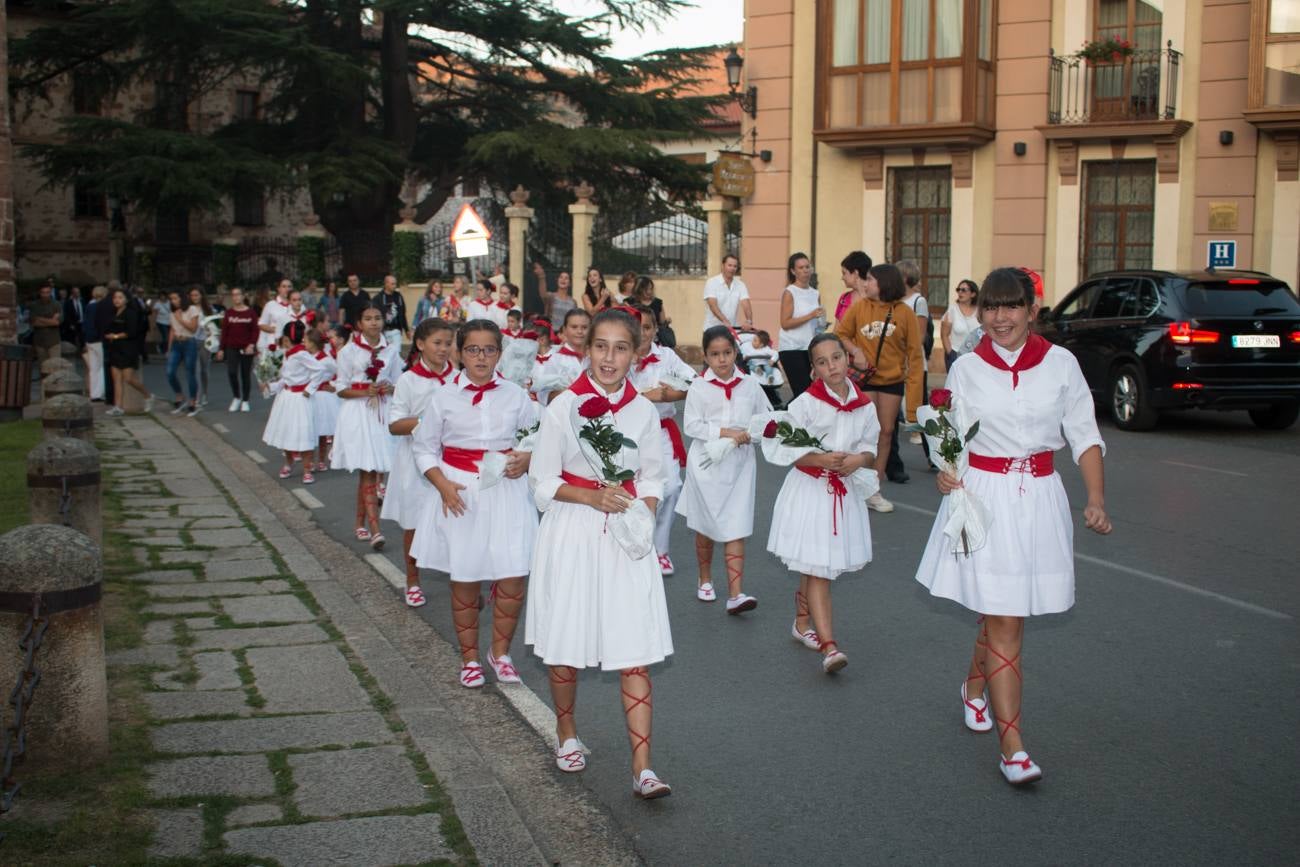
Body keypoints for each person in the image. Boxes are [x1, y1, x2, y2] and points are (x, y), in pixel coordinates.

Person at [914, 267, 1112, 786]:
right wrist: (946, 470)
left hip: (1041, 500)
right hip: (984, 497)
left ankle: (973, 688)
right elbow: (949, 435)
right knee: (1006, 619)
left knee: (1009, 612)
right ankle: (1014, 747)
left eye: (1011, 307)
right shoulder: (966, 369)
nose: (1000, 318)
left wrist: (1095, 497)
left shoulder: (1062, 364)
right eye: (991, 308)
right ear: (979, 313)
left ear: (1031, 310)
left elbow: (1085, 434)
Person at [525, 308, 673, 799]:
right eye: (601, 346)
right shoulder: (563, 407)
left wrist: (642, 511)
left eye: (621, 348)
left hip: (626, 534)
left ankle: (644, 767)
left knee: (635, 649)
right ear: (586, 349)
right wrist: (592, 497)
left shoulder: (644, 411)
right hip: (573, 530)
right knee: (568, 642)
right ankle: (566, 734)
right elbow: (543, 480)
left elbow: (654, 473)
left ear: (636, 354)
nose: (610, 357)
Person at [412, 319, 538, 687]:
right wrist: (442, 486)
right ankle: (469, 658)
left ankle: (500, 653)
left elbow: (535, 439)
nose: (481, 357)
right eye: (472, 349)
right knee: (465, 579)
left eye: (489, 349)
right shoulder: (443, 397)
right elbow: (423, 449)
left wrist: (528, 459)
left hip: (507, 491)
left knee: (513, 577)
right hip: (461, 495)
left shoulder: (516, 396)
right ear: (459, 352)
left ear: (500, 353)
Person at [767, 333, 880, 674]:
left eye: (836, 357)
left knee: (817, 564)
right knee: (818, 569)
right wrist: (820, 459)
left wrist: (858, 460)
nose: (831, 366)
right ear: (813, 370)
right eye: (822, 362)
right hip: (811, 494)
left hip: (842, 495)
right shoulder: (805, 404)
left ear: (848, 359)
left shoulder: (865, 405)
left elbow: (871, 447)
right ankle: (830, 646)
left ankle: (803, 622)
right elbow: (789, 452)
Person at [677, 326, 772, 612]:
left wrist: (751, 434)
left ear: (735, 352)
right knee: (706, 525)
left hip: (740, 465)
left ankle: (736, 593)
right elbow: (692, 425)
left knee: (736, 525)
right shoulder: (698, 387)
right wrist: (726, 432)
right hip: (706, 464)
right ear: (705, 356)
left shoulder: (751, 385)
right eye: (715, 354)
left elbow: (766, 420)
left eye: (727, 353)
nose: (722, 360)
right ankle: (705, 579)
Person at [833, 263, 925, 513]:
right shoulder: (860, 307)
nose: (866, 284)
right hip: (865, 378)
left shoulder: (904, 312)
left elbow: (915, 355)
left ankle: (873, 488)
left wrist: (916, 406)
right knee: (865, 432)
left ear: (884, 283)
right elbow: (840, 333)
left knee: (886, 433)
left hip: (892, 380)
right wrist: (856, 351)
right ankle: (854, 483)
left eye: (870, 280)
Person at [382, 318, 456, 608]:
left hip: (449, 458)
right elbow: (395, 424)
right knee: (413, 521)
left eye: (448, 343)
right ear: (421, 344)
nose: (443, 348)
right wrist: (427, 422)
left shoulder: (458, 377)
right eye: (437, 343)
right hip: (415, 461)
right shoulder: (408, 380)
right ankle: (412, 580)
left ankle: (460, 580)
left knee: (454, 521)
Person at [627, 304, 693, 576]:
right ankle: (632, 546)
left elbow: (692, 381)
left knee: (671, 489)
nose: (642, 333)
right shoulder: (620, 354)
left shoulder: (666, 356)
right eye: (637, 327)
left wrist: (668, 396)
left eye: (647, 327)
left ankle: (661, 550)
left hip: (661, 430)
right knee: (632, 490)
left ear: (655, 330)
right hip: (627, 433)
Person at [332, 303, 402, 547]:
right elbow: (340, 388)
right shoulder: (348, 352)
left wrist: (386, 387)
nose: (374, 322)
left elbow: (398, 382)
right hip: (358, 414)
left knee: (371, 470)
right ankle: (375, 530)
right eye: (368, 318)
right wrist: (364, 390)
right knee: (368, 469)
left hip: (381, 412)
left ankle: (360, 523)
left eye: (378, 318)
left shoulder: (391, 351)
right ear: (359, 324)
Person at [261, 321, 324, 484]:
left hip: (300, 398)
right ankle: (288, 463)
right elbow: (286, 378)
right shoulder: (288, 353)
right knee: (287, 431)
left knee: (303, 432)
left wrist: (309, 389)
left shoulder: (302, 354)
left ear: (288, 337)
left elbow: (319, 370)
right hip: (286, 397)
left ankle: (307, 469)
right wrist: (272, 385)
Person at [776, 252, 824, 400]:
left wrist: (821, 324)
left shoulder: (815, 293)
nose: (805, 270)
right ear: (793, 271)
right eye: (801, 267)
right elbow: (785, 323)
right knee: (803, 392)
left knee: (811, 392)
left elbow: (816, 322)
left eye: (807, 267)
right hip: (792, 348)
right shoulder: (790, 292)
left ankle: (784, 417)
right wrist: (810, 315)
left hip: (809, 348)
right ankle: (780, 420)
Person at [103, 287, 155, 417]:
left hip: (128, 348)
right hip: (114, 348)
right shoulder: (112, 312)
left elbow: (131, 332)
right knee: (116, 379)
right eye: (115, 297)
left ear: (126, 299)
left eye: (120, 297)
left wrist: (115, 336)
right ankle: (118, 407)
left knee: (128, 378)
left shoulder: (131, 313)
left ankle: (148, 395)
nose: (117, 300)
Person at [217, 287, 259, 412]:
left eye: (238, 294)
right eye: (233, 295)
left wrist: (251, 344)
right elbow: (224, 332)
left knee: (245, 374)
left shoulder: (251, 313)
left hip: (247, 348)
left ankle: (245, 400)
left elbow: (255, 331)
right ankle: (236, 397)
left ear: (243, 296)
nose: (236, 297)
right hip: (231, 347)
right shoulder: (229, 313)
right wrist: (221, 349)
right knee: (232, 372)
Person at [312, 326, 347, 470]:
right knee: (321, 428)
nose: (330, 340)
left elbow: (340, 372)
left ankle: (337, 452)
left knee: (335, 425)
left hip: (336, 393)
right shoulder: (329, 353)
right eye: (329, 338)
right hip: (322, 394)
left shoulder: (343, 353)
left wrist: (333, 385)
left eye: (332, 337)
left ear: (341, 339)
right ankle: (319, 459)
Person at [165, 290, 202, 416]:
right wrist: (169, 349)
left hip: (189, 342)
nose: (173, 301)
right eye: (171, 299)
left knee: (189, 372)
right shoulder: (172, 313)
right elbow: (171, 330)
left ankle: (193, 400)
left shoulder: (192, 309)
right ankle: (179, 395)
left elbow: (193, 328)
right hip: (176, 344)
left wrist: (180, 319)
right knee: (170, 372)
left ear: (181, 298)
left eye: (175, 298)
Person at [702, 254, 752, 333]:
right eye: (729, 265)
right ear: (723, 266)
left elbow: (746, 305)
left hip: (732, 330)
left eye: (735, 266)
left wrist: (749, 321)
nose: (732, 268)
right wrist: (725, 321)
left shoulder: (740, 285)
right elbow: (713, 306)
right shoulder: (712, 282)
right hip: (712, 329)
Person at [941, 278, 981, 370]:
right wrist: (950, 353)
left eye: (963, 290)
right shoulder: (952, 310)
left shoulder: (980, 311)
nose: (960, 293)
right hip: (956, 354)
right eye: (958, 290)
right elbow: (944, 335)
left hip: (975, 356)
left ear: (973, 294)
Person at [739, 329, 784, 409]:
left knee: (768, 368)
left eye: (755, 341)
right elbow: (743, 355)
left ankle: (770, 376)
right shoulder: (748, 347)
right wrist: (744, 357)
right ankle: (757, 370)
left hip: (765, 364)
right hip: (754, 364)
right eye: (753, 339)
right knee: (751, 365)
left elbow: (775, 353)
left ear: (761, 345)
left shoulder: (766, 349)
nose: (752, 341)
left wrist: (772, 360)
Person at [188, 286, 216, 407]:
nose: (194, 297)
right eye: (192, 295)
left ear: (201, 296)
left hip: (205, 342)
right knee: (195, 370)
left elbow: (215, 325)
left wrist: (211, 332)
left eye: (197, 295)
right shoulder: (188, 309)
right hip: (192, 341)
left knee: (204, 370)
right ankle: (197, 397)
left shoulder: (208, 309)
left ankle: (204, 393)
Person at [82, 285, 107, 401]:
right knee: (101, 367)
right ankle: (100, 392)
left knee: (93, 368)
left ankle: (94, 393)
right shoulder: (102, 307)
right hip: (99, 339)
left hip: (89, 339)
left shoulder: (89, 306)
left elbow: (85, 323)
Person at [257, 279, 294, 355]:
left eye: (289, 287)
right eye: (284, 286)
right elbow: (261, 324)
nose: (287, 289)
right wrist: (277, 329)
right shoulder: (270, 305)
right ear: (279, 289)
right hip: (274, 345)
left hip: (292, 345)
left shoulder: (298, 305)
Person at [835, 250, 874, 321]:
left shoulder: (875, 297)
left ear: (855, 273)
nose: (842, 278)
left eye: (844, 273)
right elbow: (837, 330)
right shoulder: (844, 298)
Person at [29, 282, 63, 361]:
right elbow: (34, 323)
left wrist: (40, 318)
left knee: (55, 367)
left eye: (47, 292)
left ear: (50, 292)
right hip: (39, 342)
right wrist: (51, 320)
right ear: (40, 293)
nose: (45, 295)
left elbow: (57, 323)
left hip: (54, 342)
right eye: (43, 293)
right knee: (43, 369)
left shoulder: (56, 304)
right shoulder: (34, 305)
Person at [378, 274, 409, 347]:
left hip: (396, 330)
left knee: (396, 352)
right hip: (383, 331)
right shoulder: (378, 298)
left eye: (395, 283)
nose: (395, 286)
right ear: (386, 284)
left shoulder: (398, 296)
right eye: (392, 284)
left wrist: (406, 330)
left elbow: (402, 313)